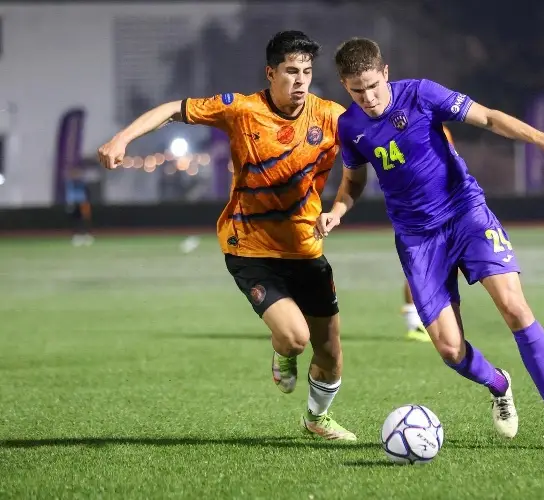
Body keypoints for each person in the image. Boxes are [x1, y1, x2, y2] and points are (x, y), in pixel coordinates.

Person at [317, 37, 544, 452]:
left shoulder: (422, 94)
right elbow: (353, 183)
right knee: (449, 348)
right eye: (357, 90)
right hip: (417, 238)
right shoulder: (350, 127)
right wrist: (337, 210)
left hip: (466, 213)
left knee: (515, 308)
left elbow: (489, 118)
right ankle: (499, 384)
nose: (369, 97)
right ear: (344, 84)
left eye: (373, 85)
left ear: (385, 72)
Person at [97, 31, 356, 441]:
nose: (301, 80)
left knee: (330, 351)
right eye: (291, 71)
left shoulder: (331, 116)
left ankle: (316, 418)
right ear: (271, 73)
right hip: (249, 247)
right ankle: (282, 350)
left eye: (307, 71)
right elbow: (172, 109)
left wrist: (340, 208)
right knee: (294, 338)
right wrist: (122, 138)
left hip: (306, 249)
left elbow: (372, 149)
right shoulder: (241, 110)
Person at [402, 125, 455, 343]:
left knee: (441, 262)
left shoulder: (440, 127)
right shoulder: (400, 127)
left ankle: (421, 319)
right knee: (420, 263)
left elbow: (449, 162)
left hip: (440, 203)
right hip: (419, 205)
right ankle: (415, 322)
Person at [65, 164, 94, 247]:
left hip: (83, 203)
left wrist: (87, 202)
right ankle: (77, 236)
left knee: (85, 220)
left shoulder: (82, 183)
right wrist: (69, 203)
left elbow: (87, 194)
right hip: (74, 204)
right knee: (76, 220)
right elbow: (69, 194)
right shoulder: (70, 183)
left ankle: (86, 235)